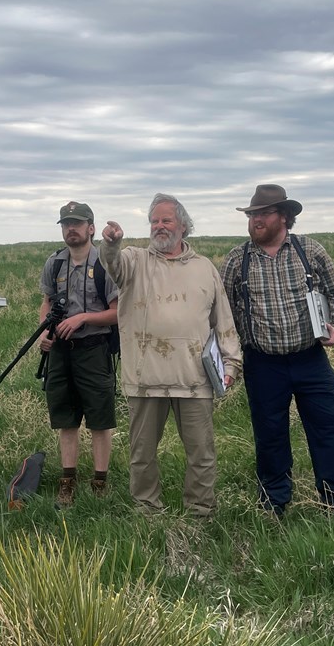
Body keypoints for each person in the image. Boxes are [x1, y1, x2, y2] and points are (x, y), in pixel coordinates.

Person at [100, 194, 241, 517]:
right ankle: (148, 509)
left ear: (183, 226)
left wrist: (231, 363)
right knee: (142, 454)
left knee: (201, 452)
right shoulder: (134, 261)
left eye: (166, 220)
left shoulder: (204, 268)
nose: (159, 227)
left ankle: (201, 510)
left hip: (194, 378)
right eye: (154, 221)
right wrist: (111, 244)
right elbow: (113, 264)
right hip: (145, 378)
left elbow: (223, 319)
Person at [221, 184, 334, 517]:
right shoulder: (237, 259)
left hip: (311, 360)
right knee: (270, 436)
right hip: (262, 364)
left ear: (284, 216)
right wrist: (227, 359)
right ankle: (273, 502)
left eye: (263, 214)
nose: (255, 220)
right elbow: (221, 312)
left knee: (329, 428)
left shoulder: (310, 251)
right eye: (252, 215)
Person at [37, 201, 120, 507]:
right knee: (66, 418)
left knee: (99, 418)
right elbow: (46, 302)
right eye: (65, 224)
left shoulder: (105, 264)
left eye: (77, 223)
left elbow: (117, 313)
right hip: (61, 351)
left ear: (91, 228)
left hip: (94, 348)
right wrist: (45, 331)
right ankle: (67, 481)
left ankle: (100, 481)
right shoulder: (55, 263)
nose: (71, 229)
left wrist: (83, 318)